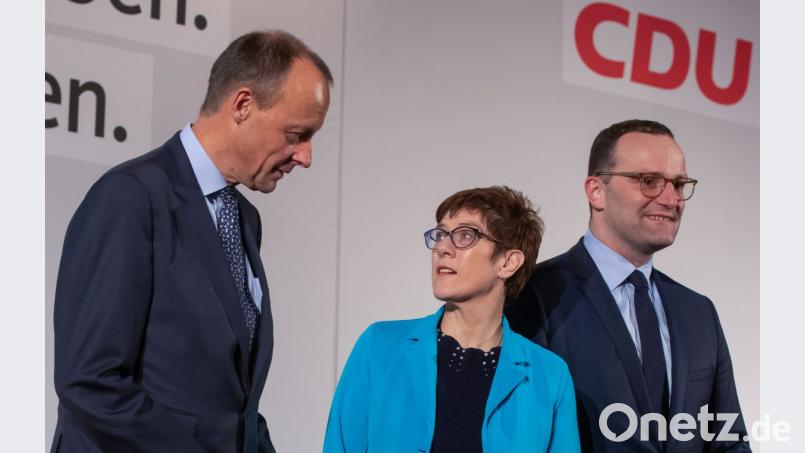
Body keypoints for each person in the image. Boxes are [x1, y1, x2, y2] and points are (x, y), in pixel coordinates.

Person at [51, 30, 332, 453]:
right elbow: (90, 381)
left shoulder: (244, 219)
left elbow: (230, 403)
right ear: (242, 105)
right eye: (296, 135)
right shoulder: (131, 196)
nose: (306, 157)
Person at [505, 119, 751, 452]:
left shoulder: (699, 312)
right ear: (596, 191)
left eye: (679, 184)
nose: (670, 199)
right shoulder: (534, 294)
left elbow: (728, 441)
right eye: (649, 181)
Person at [323, 186, 581, 452]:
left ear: (507, 262)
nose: (442, 248)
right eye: (441, 234)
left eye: (465, 235)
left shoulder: (549, 375)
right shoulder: (379, 346)